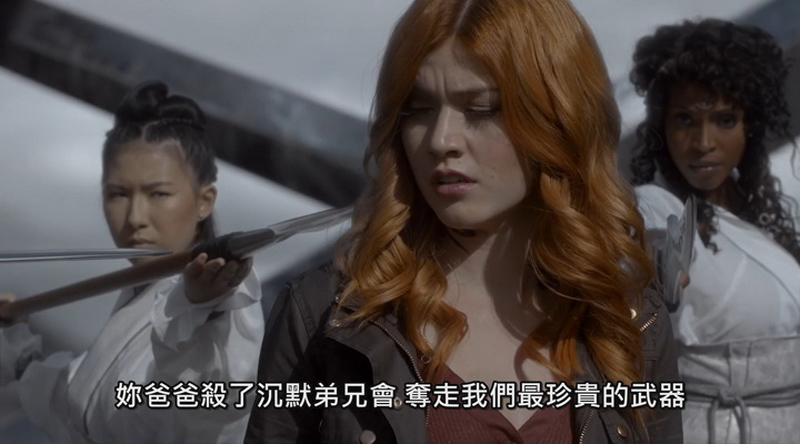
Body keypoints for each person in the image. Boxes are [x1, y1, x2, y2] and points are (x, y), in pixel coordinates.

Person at [245, 0, 682, 443]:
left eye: (480, 108)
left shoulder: (630, 321)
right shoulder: (326, 314)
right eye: (418, 109)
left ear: (558, 120)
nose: (440, 140)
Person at [0, 81, 264, 443]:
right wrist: (15, 345)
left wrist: (195, 306)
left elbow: (204, 407)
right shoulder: (142, 292)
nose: (135, 217)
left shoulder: (226, 298)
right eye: (118, 194)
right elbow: (78, 410)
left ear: (205, 201)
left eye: (159, 194)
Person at [629, 18, 800, 444]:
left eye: (724, 120)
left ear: (749, 126)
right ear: (662, 127)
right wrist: (642, 271)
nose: (703, 142)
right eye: (685, 120)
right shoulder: (655, 206)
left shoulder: (764, 218)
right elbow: (646, 256)